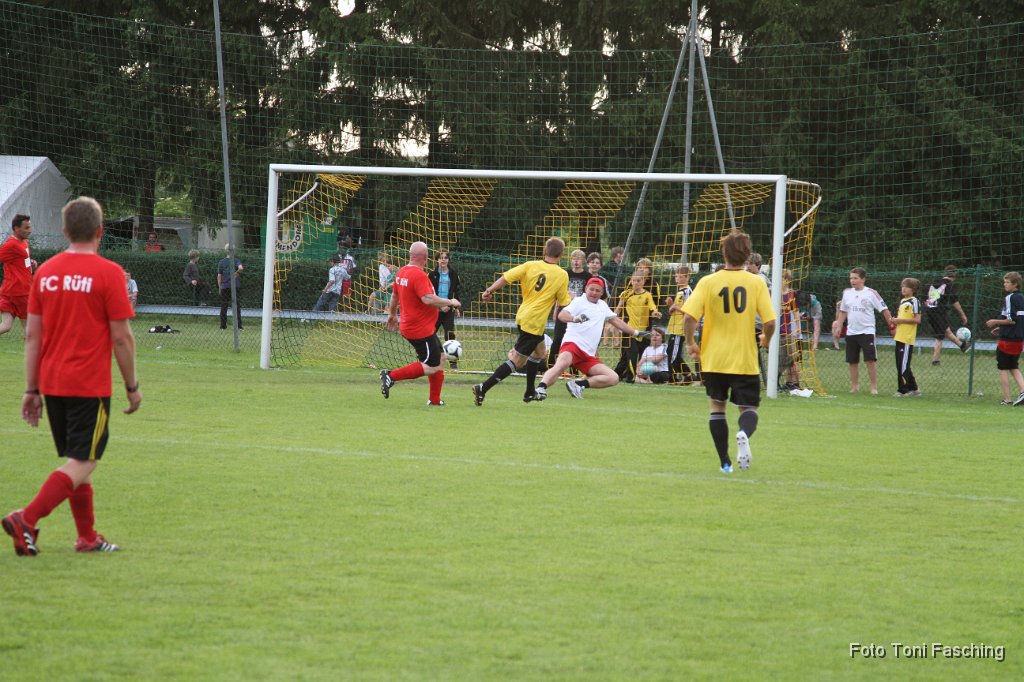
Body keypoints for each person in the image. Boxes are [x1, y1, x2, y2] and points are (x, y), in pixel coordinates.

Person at [3, 196, 141, 557]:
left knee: (79, 462)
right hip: (88, 384)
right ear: (100, 231)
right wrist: (132, 387)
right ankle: (26, 518)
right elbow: (122, 338)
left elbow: (32, 336)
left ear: (64, 231)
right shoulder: (109, 273)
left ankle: (87, 537)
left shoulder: (46, 272)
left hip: (51, 382)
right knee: (85, 460)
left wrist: (31, 389)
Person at [682, 229, 775, 473]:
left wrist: (691, 342)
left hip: (713, 358)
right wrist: (766, 338)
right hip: (744, 358)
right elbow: (770, 321)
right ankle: (743, 433)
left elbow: (690, 317)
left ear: (723, 252)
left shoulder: (708, 281)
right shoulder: (756, 282)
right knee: (749, 409)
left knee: (717, 407)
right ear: (747, 255)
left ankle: (725, 462)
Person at [473, 237, 571, 405]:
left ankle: (529, 392)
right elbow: (563, 302)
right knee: (517, 362)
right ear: (562, 254)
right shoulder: (562, 275)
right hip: (534, 322)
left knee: (539, 353)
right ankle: (483, 387)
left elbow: (506, 277)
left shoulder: (530, 265)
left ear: (544, 251)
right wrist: (573, 299)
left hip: (524, 316)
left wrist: (489, 290)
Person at [534, 277, 649, 400]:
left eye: (597, 290)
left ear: (602, 292)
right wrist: (575, 318)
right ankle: (540, 389)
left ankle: (578, 385)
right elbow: (562, 315)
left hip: (588, 354)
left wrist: (635, 332)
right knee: (561, 364)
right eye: (591, 289)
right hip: (573, 345)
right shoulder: (579, 301)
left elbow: (615, 320)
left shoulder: (603, 305)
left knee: (613, 378)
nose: (594, 293)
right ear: (586, 289)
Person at [380, 242, 461, 406]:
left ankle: (435, 400)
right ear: (425, 258)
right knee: (432, 366)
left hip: (415, 326)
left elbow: (394, 296)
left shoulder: (402, 272)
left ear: (410, 255)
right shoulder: (419, 275)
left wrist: (392, 315)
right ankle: (391, 376)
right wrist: (450, 301)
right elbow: (428, 299)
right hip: (419, 329)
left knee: (441, 357)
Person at [833, 267, 893, 394]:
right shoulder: (847, 292)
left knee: (870, 360)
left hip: (867, 331)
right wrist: (839, 326)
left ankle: (873, 387)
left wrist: (892, 326)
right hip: (851, 332)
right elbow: (843, 311)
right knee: (852, 360)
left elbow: (884, 310)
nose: (852, 281)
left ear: (863, 279)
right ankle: (855, 387)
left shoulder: (871, 293)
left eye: (855, 278)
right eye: (851, 278)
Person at [613, 271, 662, 382]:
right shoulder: (626, 294)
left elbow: (652, 306)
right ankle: (630, 378)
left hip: (644, 331)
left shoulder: (647, 295)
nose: (635, 283)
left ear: (643, 281)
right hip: (629, 329)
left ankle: (617, 374)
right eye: (633, 280)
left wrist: (655, 312)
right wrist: (610, 319)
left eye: (638, 281)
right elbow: (619, 308)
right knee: (632, 355)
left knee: (635, 356)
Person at [984, 271, 1024, 406]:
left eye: (1007, 282)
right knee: (1013, 366)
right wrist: (1001, 328)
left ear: (1015, 284)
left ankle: (1006, 399)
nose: (1004, 284)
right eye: (1004, 282)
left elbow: (1011, 320)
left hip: (1007, 340)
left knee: (1003, 368)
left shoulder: (1010, 298)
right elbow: (1018, 320)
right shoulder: (1021, 298)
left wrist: (995, 322)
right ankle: (1023, 390)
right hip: (1019, 339)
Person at [547, 249, 590, 367]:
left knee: (575, 341)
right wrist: (556, 311)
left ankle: (573, 369)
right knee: (557, 339)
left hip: (579, 313)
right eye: (574, 259)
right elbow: (558, 294)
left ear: (584, 261)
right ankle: (550, 365)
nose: (576, 261)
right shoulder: (565, 274)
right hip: (564, 310)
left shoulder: (588, 276)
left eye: (579, 259)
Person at [924, 265, 971, 365]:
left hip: (929, 310)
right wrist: (962, 314)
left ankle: (963, 346)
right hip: (938, 312)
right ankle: (935, 361)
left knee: (947, 330)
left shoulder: (935, 282)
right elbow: (955, 301)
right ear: (955, 275)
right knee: (940, 336)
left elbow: (928, 296)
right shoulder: (948, 285)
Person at [0, 213, 37, 338]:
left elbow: (19, 261)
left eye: (30, 227)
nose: (30, 231)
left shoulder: (24, 242)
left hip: (8, 291)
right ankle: (34, 356)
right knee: (30, 331)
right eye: (26, 228)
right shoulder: (11, 245)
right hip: (21, 292)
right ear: (16, 228)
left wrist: (30, 264)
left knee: (6, 325)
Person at [428, 249, 461, 369]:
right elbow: (430, 293)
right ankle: (427, 357)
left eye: (446, 257)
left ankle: (453, 361)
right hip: (435, 310)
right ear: (437, 260)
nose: (443, 260)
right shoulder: (432, 275)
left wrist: (455, 306)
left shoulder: (453, 274)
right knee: (430, 333)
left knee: (450, 333)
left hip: (449, 310)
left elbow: (456, 292)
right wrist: (440, 305)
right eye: (441, 257)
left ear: (448, 260)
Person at [666, 264, 697, 383]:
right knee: (670, 353)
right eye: (676, 276)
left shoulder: (687, 291)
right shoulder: (680, 291)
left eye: (681, 277)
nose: (677, 279)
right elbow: (677, 308)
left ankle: (688, 375)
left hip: (680, 328)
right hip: (674, 327)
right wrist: (671, 306)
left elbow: (689, 309)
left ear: (687, 277)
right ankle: (684, 376)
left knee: (674, 357)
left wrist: (675, 306)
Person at [891, 277, 922, 397]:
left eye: (906, 286)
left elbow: (917, 319)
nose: (903, 289)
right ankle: (914, 388)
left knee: (903, 366)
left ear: (913, 289)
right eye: (902, 286)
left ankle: (903, 390)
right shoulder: (903, 301)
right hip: (899, 337)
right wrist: (894, 322)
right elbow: (901, 320)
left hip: (907, 339)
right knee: (900, 365)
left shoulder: (914, 301)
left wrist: (900, 320)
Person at [779, 269, 801, 390]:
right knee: (784, 359)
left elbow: (796, 312)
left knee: (792, 358)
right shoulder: (774, 293)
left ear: (787, 280)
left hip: (789, 330)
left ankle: (796, 383)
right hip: (779, 330)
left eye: (781, 278)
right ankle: (788, 382)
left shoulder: (791, 294)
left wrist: (797, 327)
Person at [217, 244, 244, 330]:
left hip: (225, 286)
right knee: (236, 306)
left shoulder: (221, 262)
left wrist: (219, 287)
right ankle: (239, 326)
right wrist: (237, 273)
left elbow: (219, 276)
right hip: (235, 286)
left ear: (226, 251)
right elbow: (241, 268)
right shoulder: (236, 260)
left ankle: (223, 326)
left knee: (224, 306)